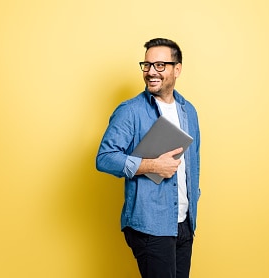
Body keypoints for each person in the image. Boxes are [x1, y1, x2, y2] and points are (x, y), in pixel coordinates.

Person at [96, 38, 201, 278]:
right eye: (147, 65)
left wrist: (194, 196)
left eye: (160, 65)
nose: (151, 72)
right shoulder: (130, 111)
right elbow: (104, 158)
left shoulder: (189, 110)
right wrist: (152, 165)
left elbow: (193, 161)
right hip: (150, 224)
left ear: (177, 69)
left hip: (184, 223)